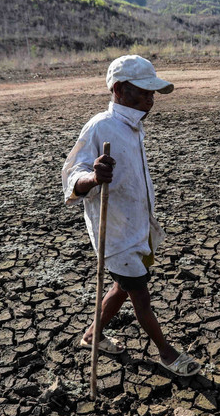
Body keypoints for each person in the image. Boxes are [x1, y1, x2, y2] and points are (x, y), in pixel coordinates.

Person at [62, 55, 201, 377]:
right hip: (115, 234)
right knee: (140, 295)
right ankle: (167, 354)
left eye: (153, 93)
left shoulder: (133, 127)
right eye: (144, 92)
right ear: (120, 89)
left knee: (122, 288)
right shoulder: (101, 126)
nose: (151, 99)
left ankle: (91, 336)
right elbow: (73, 175)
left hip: (135, 226)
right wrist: (93, 179)